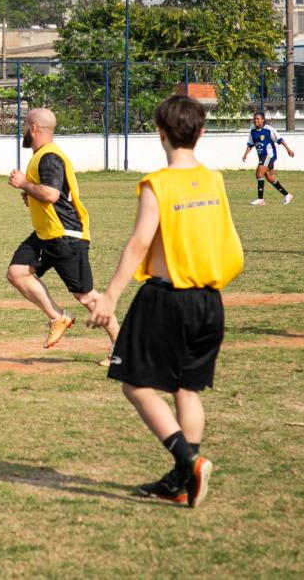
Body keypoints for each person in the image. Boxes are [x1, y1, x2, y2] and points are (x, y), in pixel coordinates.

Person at [87, 95, 244, 508]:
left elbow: (140, 243)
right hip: (209, 301)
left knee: (135, 385)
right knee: (187, 391)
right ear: (201, 133)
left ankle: (187, 460)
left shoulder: (157, 184)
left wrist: (111, 296)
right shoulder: (215, 180)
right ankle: (182, 483)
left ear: (160, 134)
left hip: (166, 299)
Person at [6, 107, 119, 358]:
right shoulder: (42, 155)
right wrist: (30, 194)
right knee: (17, 272)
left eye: (25, 125)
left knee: (86, 296)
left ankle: (121, 346)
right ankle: (58, 317)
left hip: (66, 236)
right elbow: (47, 193)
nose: (24, 129)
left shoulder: (49, 156)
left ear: (34, 128)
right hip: (47, 233)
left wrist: (24, 183)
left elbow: (51, 194)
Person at [240, 111, 294, 206]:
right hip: (262, 156)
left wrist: (288, 150)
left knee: (259, 173)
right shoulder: (252, 131)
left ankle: (260, 199)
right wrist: (245, 154)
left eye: (258, 119)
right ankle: (287, 195)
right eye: (255, 119)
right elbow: (250, 144)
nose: (256, 121)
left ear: (263, 120)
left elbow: (279, 139)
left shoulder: (268, 129)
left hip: (269, 155)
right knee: (270, 178)